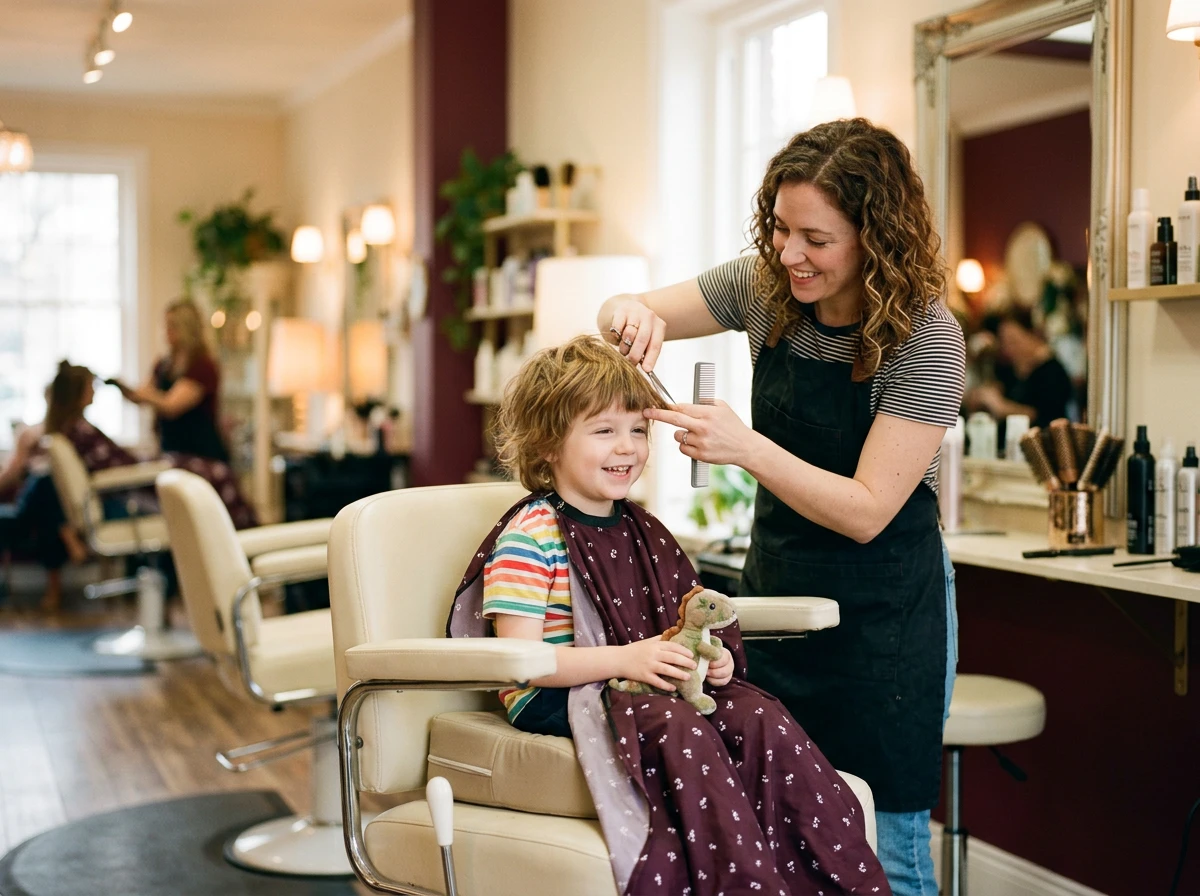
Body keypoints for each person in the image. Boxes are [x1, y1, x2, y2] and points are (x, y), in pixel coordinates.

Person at [595, 118, 966, 896]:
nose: (790, 253)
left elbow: (868, 509)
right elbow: (625, 308)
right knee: (781, 827)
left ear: (877, 237)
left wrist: (746, 448)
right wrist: (627, 313)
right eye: (780, 229)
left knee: (886, 846)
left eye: (816, 239)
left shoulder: (926, 336)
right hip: (778, 593)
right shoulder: (765, 290)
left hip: (885, 621)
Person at [448, 335, 890, 896]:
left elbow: (690, 618)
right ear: (548, 442)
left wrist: (717, 662)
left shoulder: (641, 527)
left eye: (638, 430)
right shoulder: (530, 536)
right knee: (678, 728)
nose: (627, 447)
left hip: (634, 680)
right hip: (558, 694)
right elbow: (522, 663)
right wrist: (629, 658)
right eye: (604, 430)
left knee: (757, 713)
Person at [47, 361, 257, 529]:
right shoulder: (79, 430)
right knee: (216, 473)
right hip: (132, 486)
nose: (93, 390)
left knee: (209, 473)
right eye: (89, 385)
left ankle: (241, 537)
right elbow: (112, 468)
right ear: (77, 392)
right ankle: (245, 538)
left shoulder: (72, 429)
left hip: (136, 474)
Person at [112, 299, 230, 462]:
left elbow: (171, 405)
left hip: (200, 454)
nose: (166, 331)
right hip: (170, 449)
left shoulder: (202, 366)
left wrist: (144, 394)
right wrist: (119, 386)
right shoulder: (164, 365)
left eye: (172, 326)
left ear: (187, 329)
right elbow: (142, 395)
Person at [965, 307, 1073, 429]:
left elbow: (1047, 417)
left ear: (1032, 335)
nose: (1009, 349)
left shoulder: (1053, 372)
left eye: (1014, 340)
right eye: (1005, 342)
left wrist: (1002, 407)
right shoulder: (1009, 370)